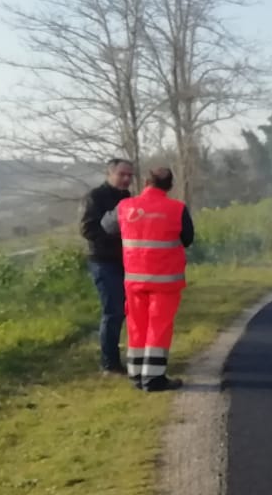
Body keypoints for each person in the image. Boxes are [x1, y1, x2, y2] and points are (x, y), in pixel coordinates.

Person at [104, 167, 195, 392]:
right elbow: (188, 238)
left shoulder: (125, 207)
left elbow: (107, 226)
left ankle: (136, 374)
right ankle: (154, 379)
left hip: (134, 280)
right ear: (170, 186)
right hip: (165, 281)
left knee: (137, 326)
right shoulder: (177, 209)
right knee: (159, 327)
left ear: (145, 182)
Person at [80, 157, 135, 376]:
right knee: (113, 312)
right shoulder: (94, 197)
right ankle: (109, 364)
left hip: (126, 261)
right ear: (109, 174)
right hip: (103, 262)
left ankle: (131, 357)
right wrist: (118, 237)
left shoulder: (127, 197)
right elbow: (87, 229)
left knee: (129, 310)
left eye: (130, 175)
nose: (126, 179)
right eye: (122, 174)